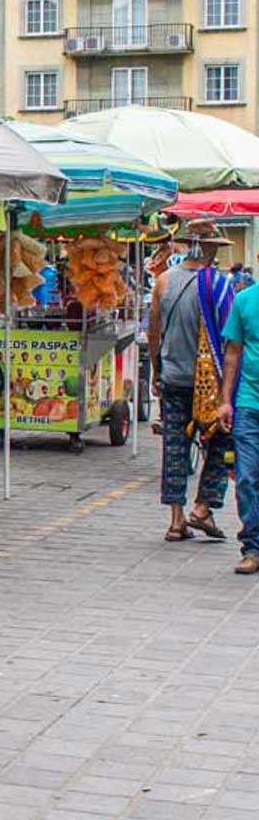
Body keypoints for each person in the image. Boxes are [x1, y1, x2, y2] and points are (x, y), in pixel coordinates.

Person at [148, 220, 235, 543]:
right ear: (207, 247)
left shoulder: (163, 282)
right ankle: (202, 507)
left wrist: (156, 371)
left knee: (174, 448)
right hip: (211, 385)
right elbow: (230, 341)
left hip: (172, 378)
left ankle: (176, 521)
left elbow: (154, 332)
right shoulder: (220, 285)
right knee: (222, 442)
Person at [217, 274, 259, 573]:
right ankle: (253, 547)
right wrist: (225, 400)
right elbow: (232, 352)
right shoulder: (244, 300)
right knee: (246, 477)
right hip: (248, 402)